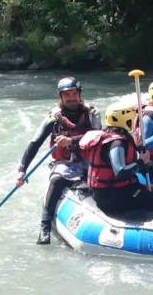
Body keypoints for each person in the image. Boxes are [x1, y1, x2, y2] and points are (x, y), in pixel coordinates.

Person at [16, 77, 101, 245]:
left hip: (90, 161)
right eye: (67, 95)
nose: (71, 98)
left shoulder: (92, 114)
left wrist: (72, 140)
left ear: (79, 95)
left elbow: (98, 136)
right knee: (56, 181)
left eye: (74, 94)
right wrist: (22, 169)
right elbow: (35, 143)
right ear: (60, 98)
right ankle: (44, 227)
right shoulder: (53, 119)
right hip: (66, 164)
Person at [78, 103, 153, 215]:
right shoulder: (117, 143)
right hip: (112, 197)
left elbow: (132, 152)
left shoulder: (109, 135)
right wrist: (141, 162)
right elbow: (121, 172)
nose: (134, 120)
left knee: (147, 190)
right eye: (132, 117)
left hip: (105, 193)